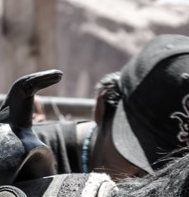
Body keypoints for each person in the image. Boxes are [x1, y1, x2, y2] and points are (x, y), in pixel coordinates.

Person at [34, 33, 189, 179]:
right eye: (140, 170)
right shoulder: (30, 164)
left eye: (173, 178)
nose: (152, 188)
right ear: (102, 106)